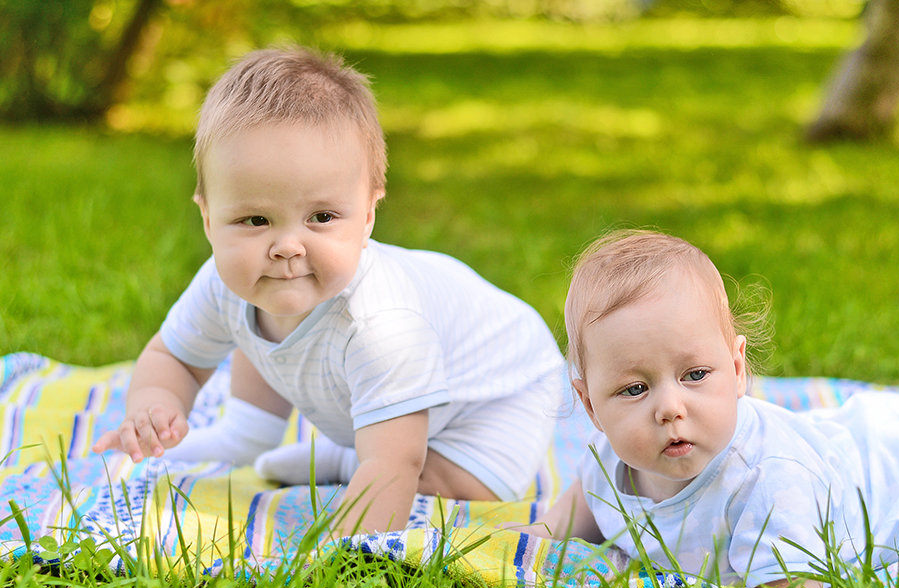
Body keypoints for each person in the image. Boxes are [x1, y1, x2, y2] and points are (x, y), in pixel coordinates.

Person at [92, 47, 564, 536]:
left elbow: (394, 468)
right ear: (208, 218)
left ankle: (347, 459)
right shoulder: (222, 281)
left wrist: (338, 559)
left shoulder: (382, 323)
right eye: (255, 220)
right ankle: (247, 434)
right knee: (263, 307)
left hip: (504, 391)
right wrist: (154, 403)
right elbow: (175, 358)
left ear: (367, 215)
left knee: (457, 477)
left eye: (321, 217)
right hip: (394, 383)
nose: (286, 246)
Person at [516, 229, 899, 588]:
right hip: (851, 445)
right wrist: (537, 537)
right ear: (589, 405)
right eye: (634, 389)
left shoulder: (770, 483)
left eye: (696, 376)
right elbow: (575, 511)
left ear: (737, 367)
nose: (670, 408)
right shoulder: (606, 461)